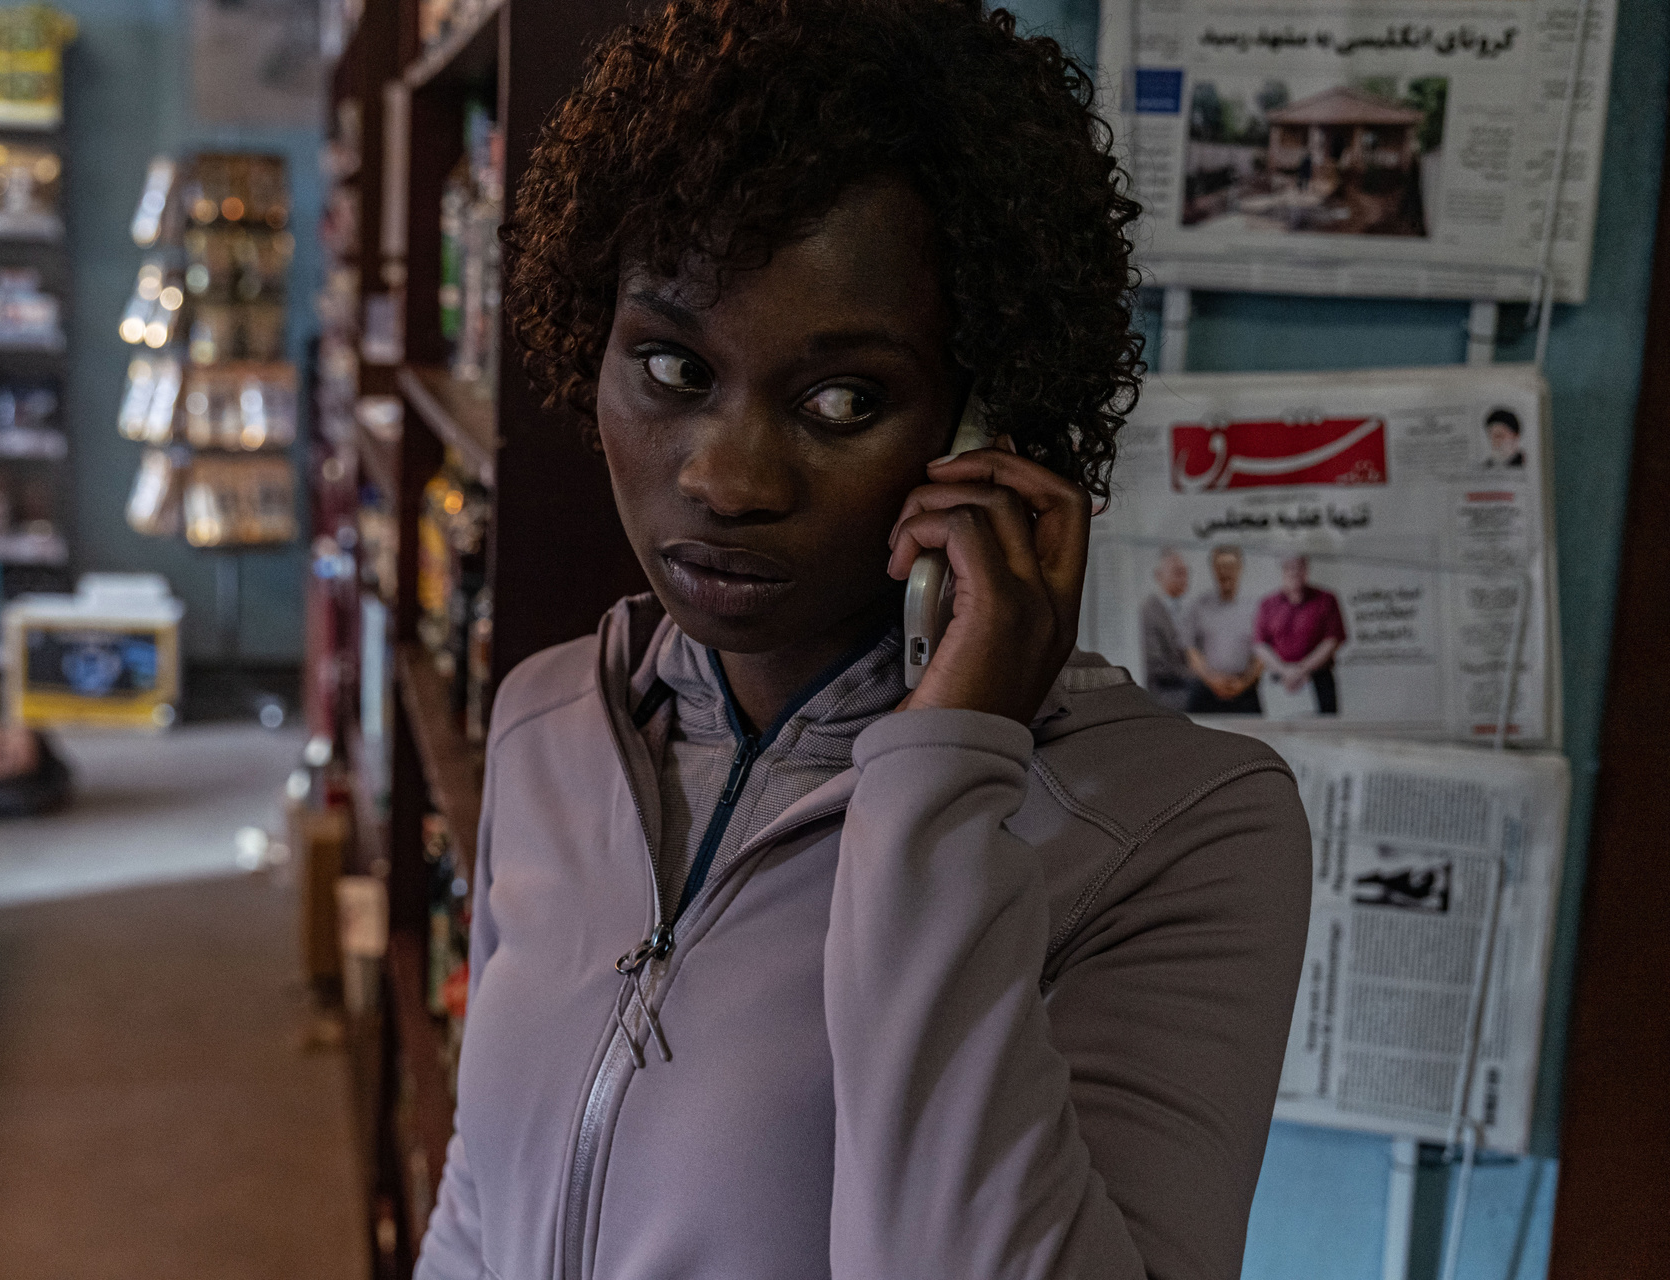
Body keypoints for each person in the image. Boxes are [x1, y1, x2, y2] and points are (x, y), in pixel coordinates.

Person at [417, 5, 1311, 1279]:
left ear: (986, 422)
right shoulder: (549, 719)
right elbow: (478, 1206)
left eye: (842, 399)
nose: (724, 478)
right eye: (671, 367)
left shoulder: (1183, 831)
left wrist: (945, 774)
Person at [1253, 554, 1346, 714]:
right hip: (1280, 679)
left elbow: (1332, 640)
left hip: (1318, 678)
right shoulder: (1268, 604)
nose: (1294, 572)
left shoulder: (1326, 599)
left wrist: (1302, 670)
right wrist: (1285, 671)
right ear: (1282, 570)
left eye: (1298, 567)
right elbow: (1259, 644)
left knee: (1323, 728)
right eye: (1289, 567)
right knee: (1277, 728)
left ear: (1306, 570)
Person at [1184, 544, 1265, 713]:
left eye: (1230, 566)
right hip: (1207, 692)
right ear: (1213, 569)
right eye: (1220, 567)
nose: (1225, 572)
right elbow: (1190, 650)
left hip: (1246, 693)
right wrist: (1212, 680)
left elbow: (1262, 654)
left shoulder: (1256, 609)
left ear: (1240, 568)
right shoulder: (1199, 606)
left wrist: (1244, 683)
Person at [1140, 547, 1195, 710]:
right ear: (1159, 575)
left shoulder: (1189, 609)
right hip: (1167, 693)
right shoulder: (1149, 611)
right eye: (1178, 572)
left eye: (1185, 572)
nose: (1184, 577)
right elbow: (1158, 666)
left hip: (1189, 687)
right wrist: (1200, 677)